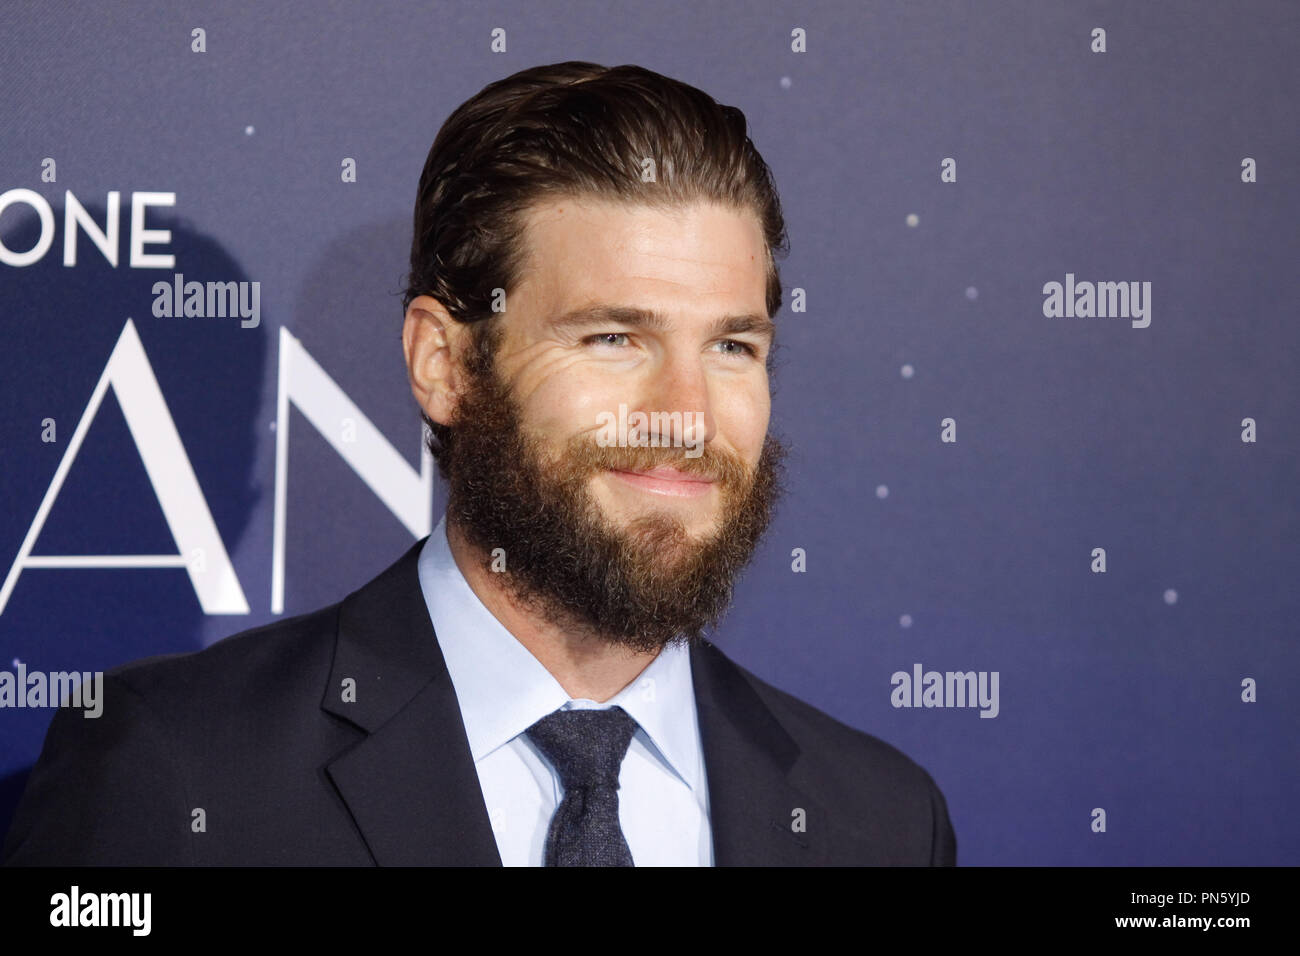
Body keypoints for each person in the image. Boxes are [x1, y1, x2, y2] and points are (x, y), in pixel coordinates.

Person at [2, 61, 956, 866]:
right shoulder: (176, 772)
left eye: (733, 348)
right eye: (614, 337)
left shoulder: (879, 823)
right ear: (444, 363)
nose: (685, 417)